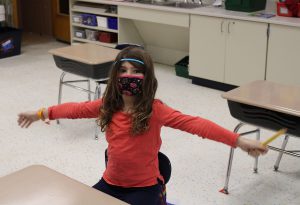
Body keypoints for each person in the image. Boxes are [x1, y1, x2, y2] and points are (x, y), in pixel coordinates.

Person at [18, 46, 268, 205]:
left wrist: (239, 141)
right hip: (111, 182)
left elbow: (196, 125)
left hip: (145, 188)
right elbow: (73, 110)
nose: (128, 75)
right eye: (122, 70)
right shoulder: (107, 105)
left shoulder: (155, 110)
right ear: (114, 75)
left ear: (147, 79)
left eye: (135, 71)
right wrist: (40, 113)